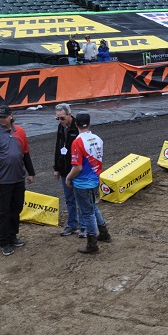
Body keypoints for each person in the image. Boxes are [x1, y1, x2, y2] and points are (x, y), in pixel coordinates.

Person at [0, 105, 35, 256]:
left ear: (11, 116)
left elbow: (26, 154)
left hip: (18, 178)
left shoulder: (20, 132)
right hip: (3, 180)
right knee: (4, 212)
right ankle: (4, 242)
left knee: (16, 209)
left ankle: (13, 236)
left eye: (4, 117)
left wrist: (31, 172)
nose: (2, 119)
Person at [66, 112, 111, 254]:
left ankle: (92, 244)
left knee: (87, 212)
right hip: (94, 179)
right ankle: (104, 233)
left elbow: (77, 167)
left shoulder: (77, 142)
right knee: (93, 207)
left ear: (76, 124)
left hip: (82, 183)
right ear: (89, 123)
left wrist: (68, 178)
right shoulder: (98, 139)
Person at [53, 103, 81, 237]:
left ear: (70, 115)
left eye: (62, 118)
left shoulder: (78, 127)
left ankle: (84, 226)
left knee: (81, 199)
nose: (60, 121)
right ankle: (72, 225)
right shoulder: (61, 127)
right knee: (69, 199)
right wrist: (56, 168)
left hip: (77, 169)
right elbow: (58, 147)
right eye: (57, 119)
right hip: (64, 169)